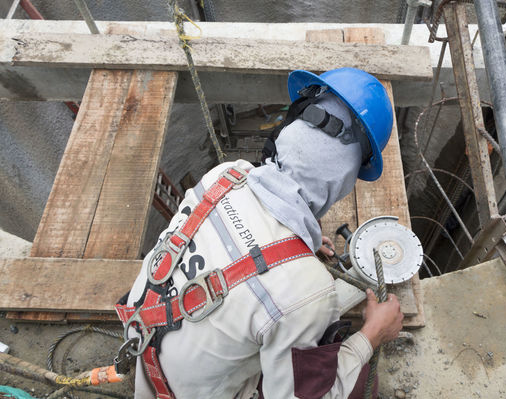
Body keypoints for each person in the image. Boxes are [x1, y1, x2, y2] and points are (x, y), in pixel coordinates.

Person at [116, 67, 405, 399]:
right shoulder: (308, 293)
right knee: (358, 379)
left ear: (295, 125)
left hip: (146, 355)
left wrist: (301, 247)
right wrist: (371, 335)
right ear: (346, 175)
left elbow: (239, 243)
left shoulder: (226, 176)